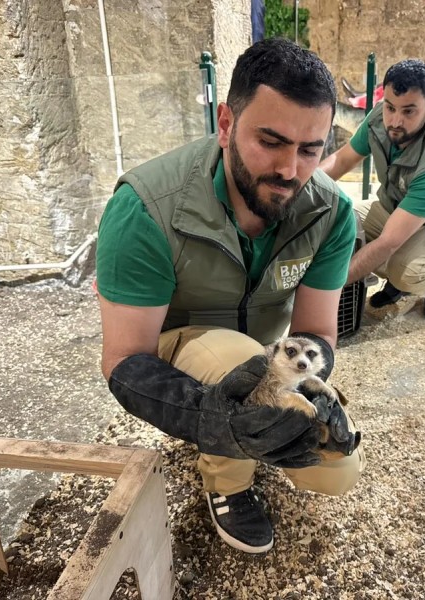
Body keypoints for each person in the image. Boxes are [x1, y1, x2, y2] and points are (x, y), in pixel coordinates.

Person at [95, 38, 364, 555]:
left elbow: (318, 334)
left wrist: (303, 388)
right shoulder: (145, 208)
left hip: (264, 352)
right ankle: (228, 486)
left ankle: (252, 422)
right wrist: (204, 417)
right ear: (225, 123)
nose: (290, 169)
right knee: (241, 367)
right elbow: (124, 357)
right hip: (171, 348)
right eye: (271, 140)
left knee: (336, 470)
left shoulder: (330, 213)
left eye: (311, 149)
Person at [320, 59, 425, 319]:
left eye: (408, 112)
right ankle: (396, 276)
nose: (395, 121)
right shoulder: (379, 118)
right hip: (396, 207)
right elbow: (341, 160)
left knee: (407, 271)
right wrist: (303, 188)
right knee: (338, 221)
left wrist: (325, 287)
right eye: (390, 107)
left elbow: (387, 242)